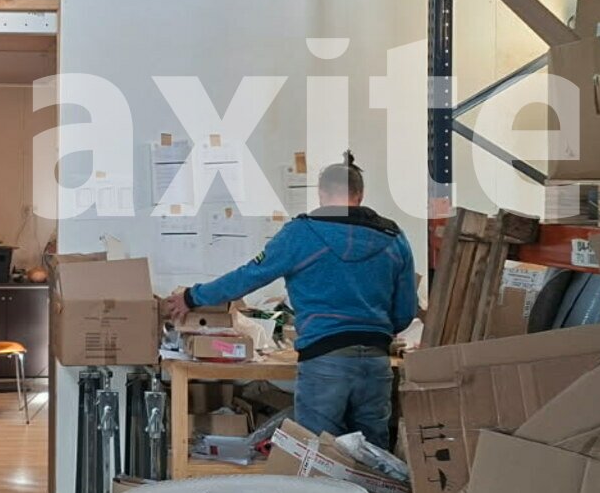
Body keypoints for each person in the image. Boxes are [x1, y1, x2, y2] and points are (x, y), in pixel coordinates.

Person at [164, 152, 416, 446]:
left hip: (324, 359)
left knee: (318, 454)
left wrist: (192, 296)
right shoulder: (394, 237)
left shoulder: (302, 233)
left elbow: (249, 276)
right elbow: (405, 312)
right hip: (376, 362)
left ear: (321, 194)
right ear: (360, 195)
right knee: (373, 456)